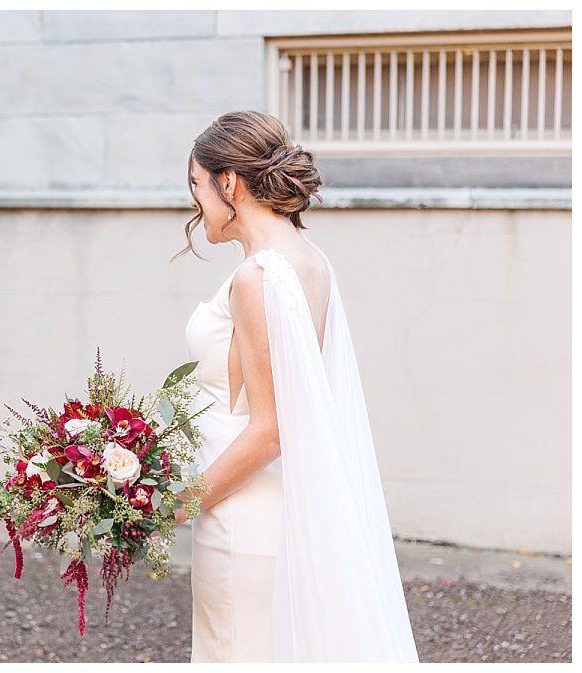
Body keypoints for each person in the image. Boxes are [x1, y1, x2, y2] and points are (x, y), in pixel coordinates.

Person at [176, 111, 418, 662]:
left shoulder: (256, 276)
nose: (194, 202)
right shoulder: (312, 261)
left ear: (228, 183)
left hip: (242, 511)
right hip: (278, 502)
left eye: (196, 184)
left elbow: (271, 429)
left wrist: (170, 506)